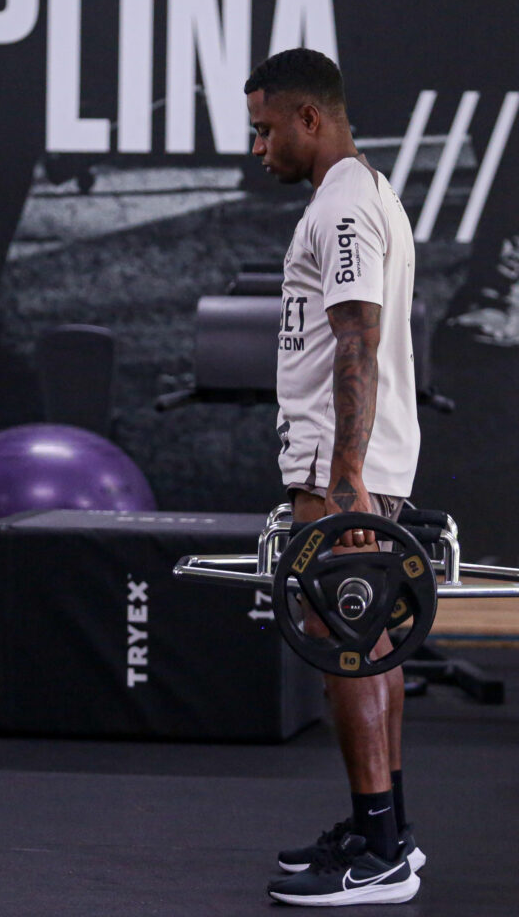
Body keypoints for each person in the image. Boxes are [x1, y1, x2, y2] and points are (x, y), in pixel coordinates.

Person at [245, 48, 424, 906]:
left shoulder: (346, 206)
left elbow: (357, 336)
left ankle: (379, 854)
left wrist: (346, 476)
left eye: (266, 129)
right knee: (371, 645)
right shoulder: (360, 194)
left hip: (340, 467)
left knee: (348, 649)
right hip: (345, 463)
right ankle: (383, 832)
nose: (260, 148)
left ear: (309, 119)